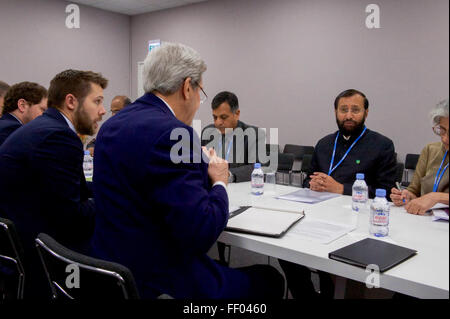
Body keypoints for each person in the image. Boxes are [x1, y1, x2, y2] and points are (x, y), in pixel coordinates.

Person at [90, 42, 284, 299]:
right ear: (187, 87)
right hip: (160, 280)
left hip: (112, 269)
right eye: (199, 91)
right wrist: (219, 181)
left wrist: (197, 167)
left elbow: (148, 179)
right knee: (270, 279)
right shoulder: (175, 133)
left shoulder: (114, 124)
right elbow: (201, 233)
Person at [280, 89, 397, 299]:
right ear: (335, 112)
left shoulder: (382, 145)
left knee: (335, 273)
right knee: (284, 250)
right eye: (343, 110)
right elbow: (309, 177)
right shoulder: (324, 143)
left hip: (357, 224)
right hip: (318, 215)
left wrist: (341, 189)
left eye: (355, 110)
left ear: (366, 113)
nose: (349, 115)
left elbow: (386, 193)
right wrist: (313, 183)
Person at [0, 69, 107, 298]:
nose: (102, 110)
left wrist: (104, 189)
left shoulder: (43, 128)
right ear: (71, 101)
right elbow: (72, 218)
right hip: (40, 258)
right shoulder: (59, 137)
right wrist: (112, 201)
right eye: (97, 101)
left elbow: (70, 190)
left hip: (21, 244)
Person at [391, 99, 449, 214]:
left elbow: (433, 197)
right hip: (425, 222)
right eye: (442, 130)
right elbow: (414, 191)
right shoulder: (430, 150)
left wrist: (437, 197)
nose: (445, 139)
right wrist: (406, 196)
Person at [201, 91, 266, 183]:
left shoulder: (254, 134)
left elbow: (259, 167)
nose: (218, 122)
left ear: (237, 114)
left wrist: (228, 174)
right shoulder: (208, 132)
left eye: (223, 117)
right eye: (215, 117)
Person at [0, 81, 48, 146]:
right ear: (22, 105)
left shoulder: (5, 124)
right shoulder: (12, 129)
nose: (46, 115)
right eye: (43, 109)